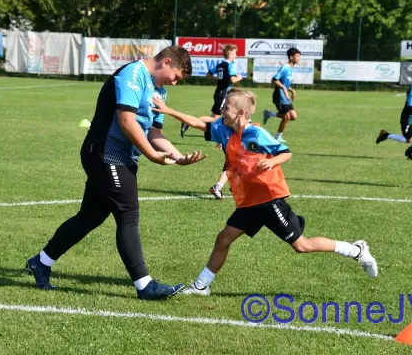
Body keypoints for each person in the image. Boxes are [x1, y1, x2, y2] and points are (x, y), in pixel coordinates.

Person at [152, 88, 378, 296]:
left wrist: (271, 163)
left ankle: (356, 250)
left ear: (240, 112)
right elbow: (197, 123)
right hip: (249, 201)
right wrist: (168, 110)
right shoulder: (224, 130)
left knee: (302, 245)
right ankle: (202, 285)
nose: (221, 111)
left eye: (225, 108)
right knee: (224, 238)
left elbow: (286, 152)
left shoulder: (257, 134)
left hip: (269, 199)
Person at [25, 45, 207, 300]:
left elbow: (154, 133)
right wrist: (151, 155)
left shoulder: (159, 91)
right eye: (176, 76)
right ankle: (145, 286)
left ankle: (41, 262)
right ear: (166, 62)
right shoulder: (132, 74)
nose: (174, 83)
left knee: (90, 216)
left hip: (122, 157)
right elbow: (126, 121)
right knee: (128, 213)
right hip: (104, 153)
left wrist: (178, 157)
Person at [181, 44, 242, 199]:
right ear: (230, 53)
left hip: (219, 92)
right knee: (217, 119)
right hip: (225, 95)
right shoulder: (229, 65)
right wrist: (239, 77)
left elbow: (209, 74)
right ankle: (189, 122)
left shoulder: (219, 64)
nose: (236, 54)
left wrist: (218, 80)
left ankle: (230, 185)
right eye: (235, 52)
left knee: (216, 118)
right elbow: (233, 78)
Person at [376, 68, 412, 159]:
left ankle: (411, 154)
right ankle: (385, 135)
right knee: (408, 140)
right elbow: (411, 105)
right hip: (407, 119)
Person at [262, 48, 300, 143]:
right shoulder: (285, 68)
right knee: (286, 117)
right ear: (291, 57)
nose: (299, 58)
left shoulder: (291, 69)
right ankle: (277, 137)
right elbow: (274, 79)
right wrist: (283, 88)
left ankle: (268, 113)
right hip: (279, 96)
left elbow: (285, 83)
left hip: (285, 96)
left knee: (293, 117)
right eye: (297, 56)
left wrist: (292, 90)